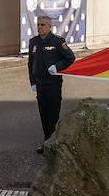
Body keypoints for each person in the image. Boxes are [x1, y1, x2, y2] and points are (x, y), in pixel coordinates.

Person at [27, 14, 75, 149]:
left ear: (49, 27)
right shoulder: (34, 42)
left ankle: (54, 144)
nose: (39, 27)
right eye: (38, 25)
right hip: (40, 85)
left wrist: (57, 67)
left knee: (53, 116)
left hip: (53, 84)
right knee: (44, 115)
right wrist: (33, 82)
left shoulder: (57, 41)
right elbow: (31, 64)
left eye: (42, 25)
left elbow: (70, 58)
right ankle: (47, 144)